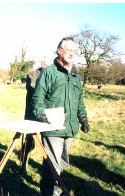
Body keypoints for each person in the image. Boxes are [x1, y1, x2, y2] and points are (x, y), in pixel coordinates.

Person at [32, 37, 90, 195]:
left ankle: (55, 190)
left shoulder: (76, 75)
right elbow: (38, 97)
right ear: (59, 51)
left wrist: (83, 118)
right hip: (52, 126)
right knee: (52, 165)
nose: (71, 53)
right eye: (68, 50)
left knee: (62, 163)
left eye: (74, 51)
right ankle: (47, 192)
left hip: (69, 127)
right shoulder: (49, 72)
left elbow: (79, 100)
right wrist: (40, 115)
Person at [20, 58, 48, 174]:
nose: (45, 64)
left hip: (46, 113)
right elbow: (35, 91)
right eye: (44, 62)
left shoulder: (51, 74)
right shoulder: (32, 75)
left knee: (47, 141)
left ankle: (46, 168)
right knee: (29, 141)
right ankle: (23, 165)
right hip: (32, 113)